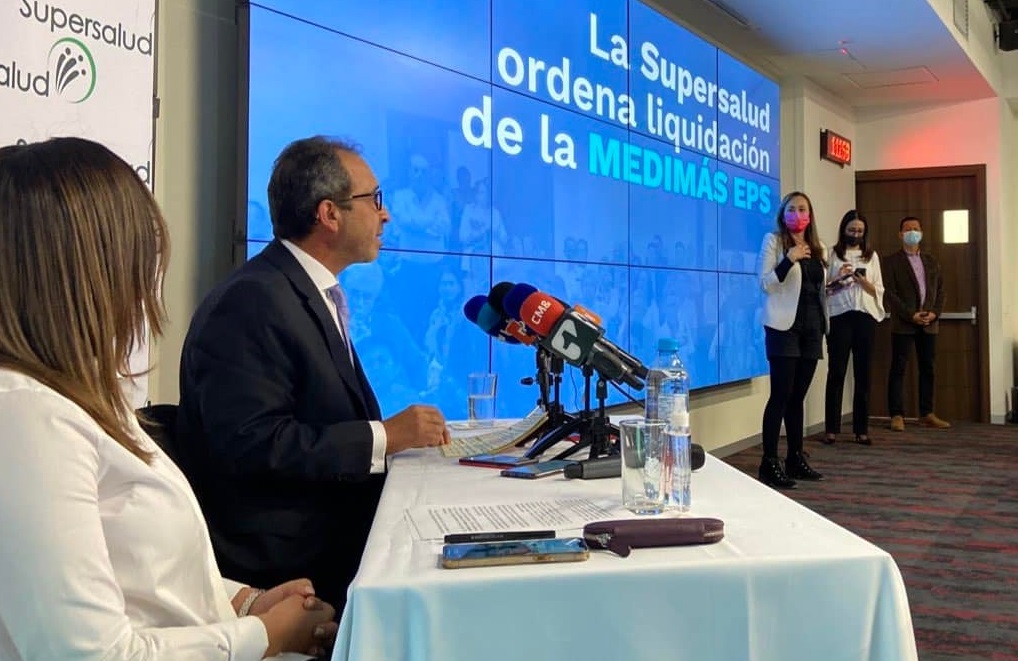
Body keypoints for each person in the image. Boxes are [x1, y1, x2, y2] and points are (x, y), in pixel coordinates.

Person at [0, 137, 336, 659]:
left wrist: (244, 602)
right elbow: (89, 653)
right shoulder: (24, 415)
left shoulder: (75, 399)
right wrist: (264, 635)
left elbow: (139, 574)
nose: (144, 285)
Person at [177, 136, 450, 610]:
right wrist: (384, 437)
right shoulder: (252, 300)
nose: (385, 215)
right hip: (291, 567)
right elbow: (252, 444)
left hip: (332, 538)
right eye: (374, 199)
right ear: (329, 214)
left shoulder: (302, 291)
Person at [756, 191, 828, 489]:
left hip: (812, 329)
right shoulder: (774, 242)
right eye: (792, 209)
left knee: (798, 397)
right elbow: (765, 284)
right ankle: (769, 462)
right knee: (781, 396)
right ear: (783, 214)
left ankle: (795, 457)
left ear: (810, 215)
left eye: (802, 209)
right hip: (783, 328)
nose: (797, 214)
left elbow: (816, 288)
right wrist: (788, 259)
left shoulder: (818, 247)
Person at [822, 210, 885, 445]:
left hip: (864, 317)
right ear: (844, 230)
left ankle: (861, 429)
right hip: (839, 316)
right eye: (852, 230)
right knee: (836, 372)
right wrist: (839, 278)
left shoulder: (871, 256)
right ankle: (831, 428)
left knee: (863, 374)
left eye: (860, 231)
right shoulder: (832, 254)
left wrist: (863, 281)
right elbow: (824, 288)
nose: (856, 234)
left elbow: (878, 289)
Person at [883, 216, 951, 431]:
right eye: (907, 229)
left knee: (928, 368)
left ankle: (927, 413)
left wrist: (934, 313)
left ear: (921, 232)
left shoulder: (931, 261)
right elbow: (890, 293)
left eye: (915, 228)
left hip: (929, 323)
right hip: (904, 323)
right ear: (900, 234)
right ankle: (896, 414)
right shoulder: (891, 262)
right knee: (898, 368)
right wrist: (910, 314)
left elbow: (940, 291)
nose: (912, 232)